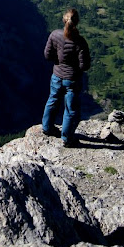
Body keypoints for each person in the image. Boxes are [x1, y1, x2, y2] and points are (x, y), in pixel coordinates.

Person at [41, 8, 91, 147]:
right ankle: (67, 138)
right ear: (77, 22)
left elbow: (47, 55)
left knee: (52, 100)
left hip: (57, 75)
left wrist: (60, 62)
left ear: (64, 20)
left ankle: (47, 128)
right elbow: (84, 65)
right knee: (70, 109)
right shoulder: (80, 42)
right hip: (72, 79)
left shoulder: (55, 35)